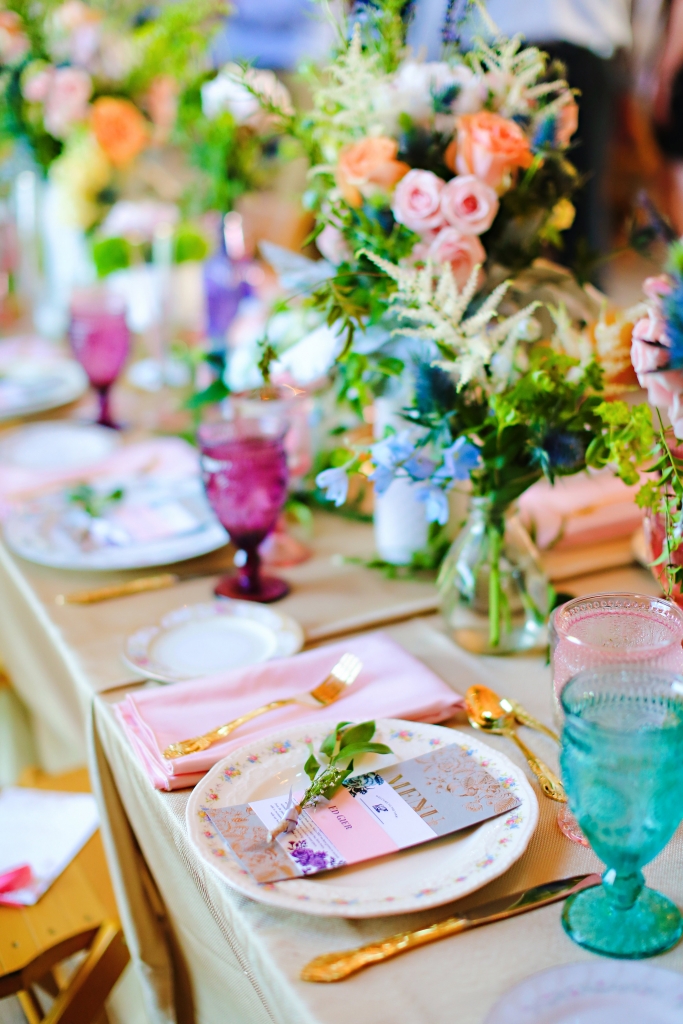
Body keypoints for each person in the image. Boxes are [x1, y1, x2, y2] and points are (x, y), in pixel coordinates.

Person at [409, 0, 634, 277]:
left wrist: (422, 52)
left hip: (503, 42)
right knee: (498, 216)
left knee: (496, 218)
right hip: (559, 41)